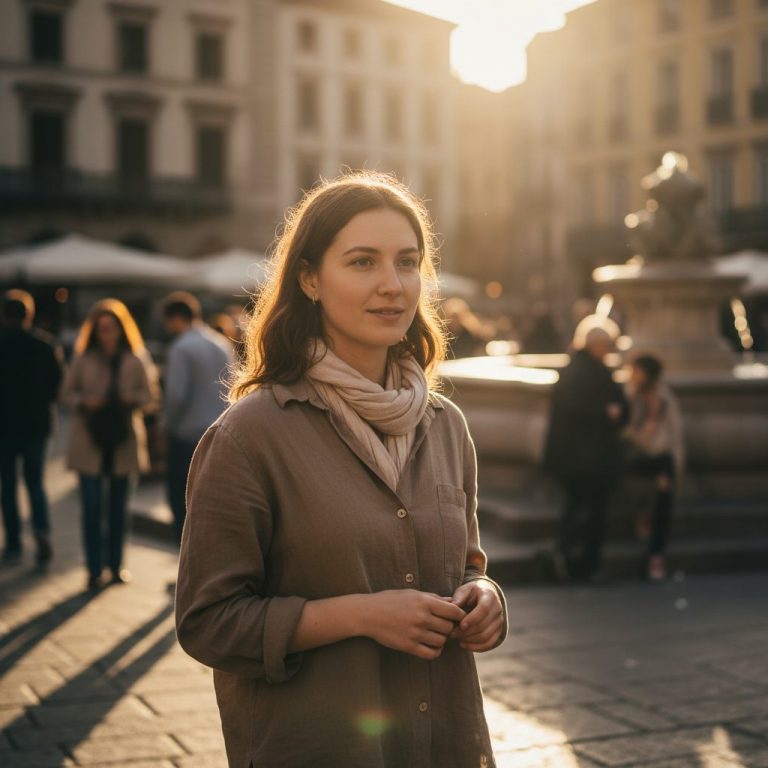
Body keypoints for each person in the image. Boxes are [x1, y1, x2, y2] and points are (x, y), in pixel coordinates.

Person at [175, 173, 508, 768]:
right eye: (362, 262)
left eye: (408, 262)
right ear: (309, 280)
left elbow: (464, 565)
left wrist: (484, 596)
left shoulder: (446, 424)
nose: (392, 285)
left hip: (444, 745)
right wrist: (358, 615)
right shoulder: (249, 435)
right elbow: (207, 623)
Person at [62, 299, 157, 590]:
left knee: (118, 510)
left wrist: (134, 400)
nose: (107, 334)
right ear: (94, 331)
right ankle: (93, 569)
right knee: (91, 508)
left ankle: (115, 566)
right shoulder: (83, 358)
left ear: (121, 329)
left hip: (123, 440)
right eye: (102, 329)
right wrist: (85, 401)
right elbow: (66, 395)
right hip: (89, 439)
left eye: (112, 329)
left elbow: (152, 398)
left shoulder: (135, 358)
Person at [543, 316, 629, 583]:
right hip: (592, 457)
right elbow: (611, 408)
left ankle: (566, 558)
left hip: (571, 457)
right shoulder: (595, 372)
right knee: (593, 512)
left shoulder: (570, 369)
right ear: (599, 345)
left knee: (573, 508)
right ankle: (585, 564)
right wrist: (609, 413)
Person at [161, 292, 233, 542]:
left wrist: (166, 426)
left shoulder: (181, 347)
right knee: (211, 503)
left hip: (187, 434)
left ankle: (185, 562)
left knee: (181, 500)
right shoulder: (221, 343)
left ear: (176, 318)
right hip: (219, 432)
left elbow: (176, 396)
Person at [0, 290, 64, 565]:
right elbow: (56, 386)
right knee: (35, 482)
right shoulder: (46, 345)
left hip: (4, 425)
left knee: (8, 485)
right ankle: (42, 534)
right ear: (29, 315)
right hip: (37, 424)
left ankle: (13, 542)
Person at [624, 354, 684, 581]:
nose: (631, 375)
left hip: (658, 460)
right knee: (661, 481)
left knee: (664, 491)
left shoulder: (663, 399)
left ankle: (656, 554)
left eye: (636, 371)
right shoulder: (629, 396)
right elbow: (628, 433)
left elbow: (673, 438)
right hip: (636, 459)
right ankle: (645, 521)